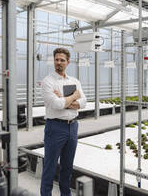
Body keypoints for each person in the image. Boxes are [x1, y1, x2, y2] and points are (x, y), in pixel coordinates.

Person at [40, 47, 87, 196]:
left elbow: (84, 102)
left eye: (62, 60)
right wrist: (74, 97)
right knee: (50, 167)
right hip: (55, 127)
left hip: (72, 126)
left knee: (67, 167)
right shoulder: (48, 82)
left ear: (68, 62)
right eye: (56, 60)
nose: (59, 63)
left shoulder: (74, 81)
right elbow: (57, 105)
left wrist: (65, 100)